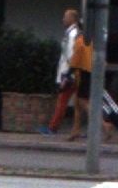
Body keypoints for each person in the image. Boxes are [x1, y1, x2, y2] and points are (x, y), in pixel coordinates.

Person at [40, 9, 95, 140]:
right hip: (77, 73)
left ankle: (53, 128)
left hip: (73, 74)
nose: (63, 19)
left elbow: (71, 56)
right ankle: (80, 130)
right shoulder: (73, 34)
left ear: (72, 19)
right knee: (79, 104)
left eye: (66, 17)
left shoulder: (73, 35)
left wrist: (67, 75)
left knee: (64, 100)